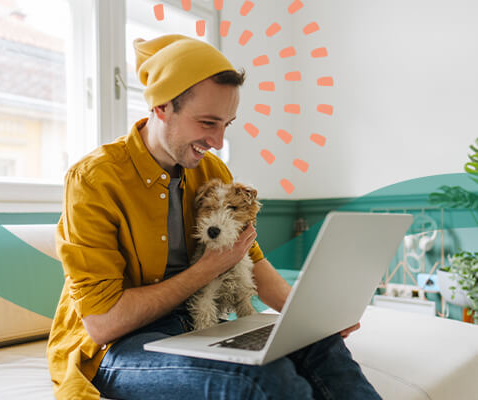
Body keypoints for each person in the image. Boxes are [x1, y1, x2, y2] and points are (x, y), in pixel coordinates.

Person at [47, 34, 380, 400]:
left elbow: (252, 263)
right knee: (262, 377)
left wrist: (316, 319)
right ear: (161, 107)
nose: (219, 141)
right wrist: (206, 269)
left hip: (195, 326)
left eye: (227, 124)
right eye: (207, 122)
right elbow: (103, 323)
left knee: (321, 345)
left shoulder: (210, 170)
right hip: (116, 349)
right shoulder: (94, 180)